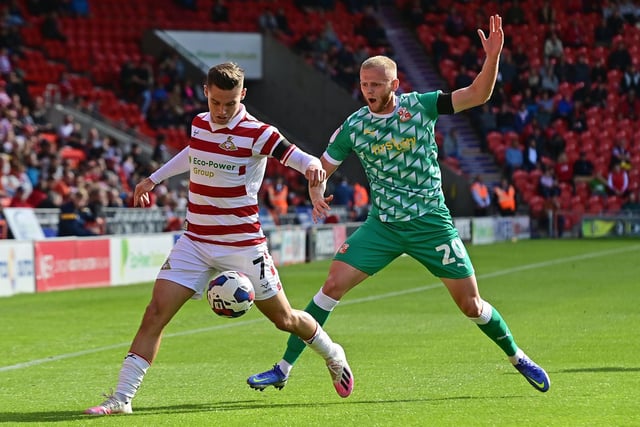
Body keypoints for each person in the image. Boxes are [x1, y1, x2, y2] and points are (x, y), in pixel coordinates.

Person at [248, 15, 550, 395]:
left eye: (376, 85)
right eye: (363, 84)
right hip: (384, 226)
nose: (368, 91)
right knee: (331, 285)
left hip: (431, 224)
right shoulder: (355, 126)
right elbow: (322, 167)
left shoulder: (421, 106)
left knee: (471, 305)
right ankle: (285, 366)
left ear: (395, 84)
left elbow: (477, 94)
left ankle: (517, 356)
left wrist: (493, 58)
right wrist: (314, 190)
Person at [84, 62, 353, 415]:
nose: (222, 111)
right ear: (206, 92)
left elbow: (303, 160)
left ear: (242, 95)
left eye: (229, 103)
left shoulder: (258, 132)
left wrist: (315, 179)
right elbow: (194, 153)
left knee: (284, 319)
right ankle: (122, 398)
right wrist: (153, 179)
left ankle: (333, 355)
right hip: (195, 240)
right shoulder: (199, 122)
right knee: (155, 313)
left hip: (243, 245)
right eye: (216, 103)